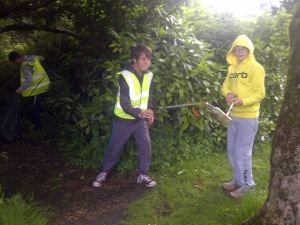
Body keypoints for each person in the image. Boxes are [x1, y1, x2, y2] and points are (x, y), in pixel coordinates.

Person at [92, 44, 156, 188]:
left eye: (149, 59)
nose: (147, 63)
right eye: (144, 59)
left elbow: (148, 97)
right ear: (134, 59)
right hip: (123, 120)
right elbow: (125, 102)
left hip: (140, 121)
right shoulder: (124, 76)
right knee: (115, 148)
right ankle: (104, 172)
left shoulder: (149, 75)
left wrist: (150, 111)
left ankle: (143, 175)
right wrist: (139, 113)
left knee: (146, 146)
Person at [221, 34, 265, 198]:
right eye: (236, 49)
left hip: (248, 117)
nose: (239, 52)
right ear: (233, 51)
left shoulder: (256, 68)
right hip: (233, 116)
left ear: (248, 50)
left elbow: (260, 93)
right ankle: (238, 181)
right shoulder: (232, 68)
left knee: (242, 152)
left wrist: (243, 101)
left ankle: (248, 184)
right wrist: (228, 95)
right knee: (232, 150)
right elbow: (225, 86)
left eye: (242, 49)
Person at [8, 52, 50, 130]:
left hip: (37, 89)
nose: (15, 63)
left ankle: (38, 127)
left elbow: (28, 80)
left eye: (14, 62)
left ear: (17, 58)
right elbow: (42, 58)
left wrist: (19, 90)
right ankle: (45, 122)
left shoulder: (25, 65)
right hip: (45, 84)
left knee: (34, 108)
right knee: (41, 104)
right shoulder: (32, 57)